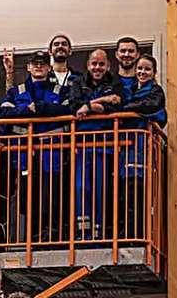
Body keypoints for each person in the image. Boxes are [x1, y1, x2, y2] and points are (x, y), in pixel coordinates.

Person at [0, 50, 72, 241]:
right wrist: (26, 110)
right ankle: (29, 240)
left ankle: (51, 239)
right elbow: (3, 114)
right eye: (35, 63)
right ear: (28, 67)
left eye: (43, 63)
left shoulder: (61, 90)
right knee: (26, 200)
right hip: (25, 156)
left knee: (52, 198)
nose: (39, 66)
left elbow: (69, 109)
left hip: (53, 155)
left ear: (49, 68)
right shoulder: (16, 92)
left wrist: (42, 108)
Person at [68, 49, 123, 240]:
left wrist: (89, 106)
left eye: (101, 64)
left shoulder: (115, 83)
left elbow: (116, 105)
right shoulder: (78, 82)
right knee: (81, 188)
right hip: (81, 145)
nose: (97, 67)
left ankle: (99, 234)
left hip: (104, 146)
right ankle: (83, 232)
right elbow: (74, 106)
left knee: (101, 190)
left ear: (108, 65)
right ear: (88, 65)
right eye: (94, 64)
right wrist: (101, 102)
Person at [118, 55, 167, 239]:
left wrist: (126, 108)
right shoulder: (129, 89)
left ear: (154, 73)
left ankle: (138, 232)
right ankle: (127, 231)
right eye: (140, 68)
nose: (142, 72)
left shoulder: (155, 91)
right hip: (128, 150)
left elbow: (150, 106)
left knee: (139, 192)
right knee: (126, 192)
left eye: (147, 69)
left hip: (142, 149)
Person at [114, 37, 141, 104]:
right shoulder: (108, 82)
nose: (126, 54)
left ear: (137, 54)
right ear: (116, 54)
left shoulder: (146, 83)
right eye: (123, 51)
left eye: (131, 51)